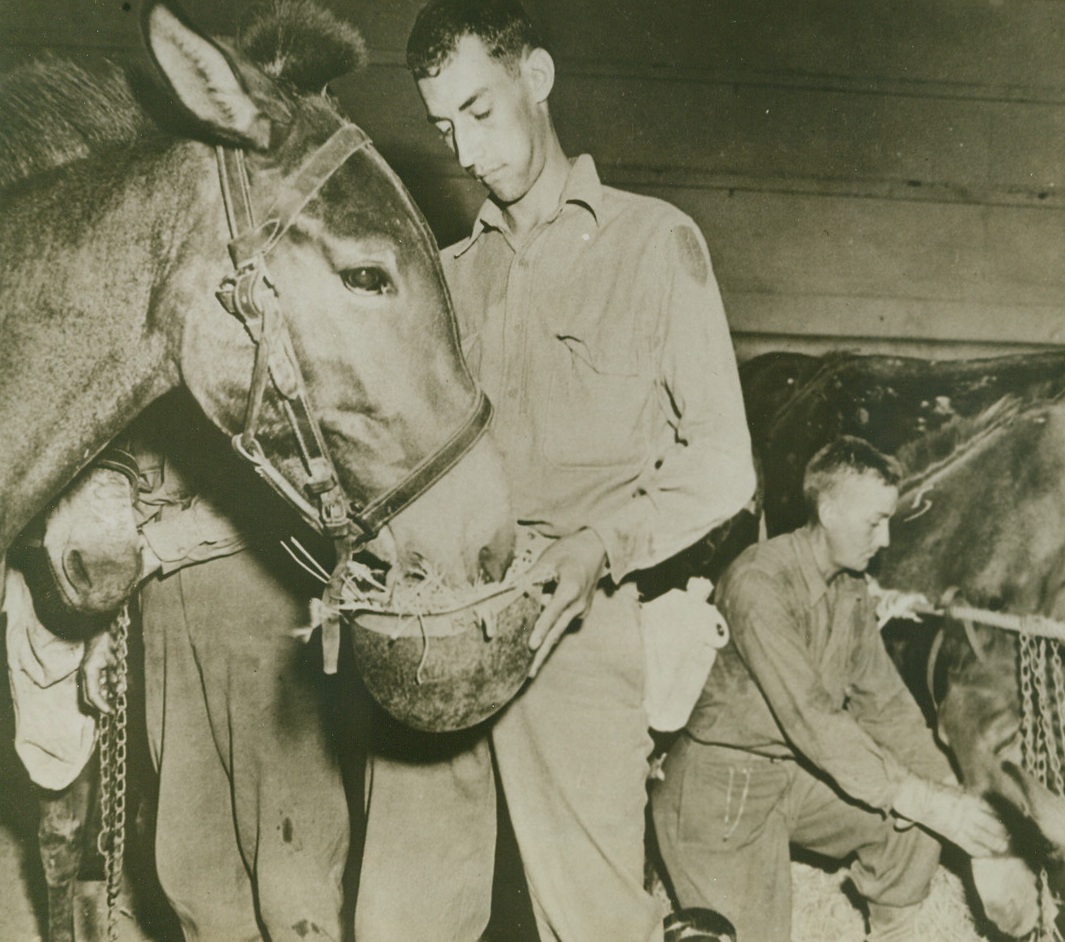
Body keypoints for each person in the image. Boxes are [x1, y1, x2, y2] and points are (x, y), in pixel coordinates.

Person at [353, 2, 756, 940]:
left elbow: (723, 463)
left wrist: (599, 547)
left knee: (594, 919)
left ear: (535, 77)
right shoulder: (446, 277)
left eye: (479, 112)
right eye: (443, 127)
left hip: (574, 623)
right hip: (440, 622)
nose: (465, 152)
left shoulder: (654, 244)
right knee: (400, 920)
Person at [651, 436, 1009, 942]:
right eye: (875, 522)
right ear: (829, 511)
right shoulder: (759, 581)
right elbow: (813, 718)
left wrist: (954, 797)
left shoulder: (849, 590)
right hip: (720, 788)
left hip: (793, 774)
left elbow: (887, 708)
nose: (885, 540)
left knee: (909, 827)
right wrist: (920, 797)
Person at [80, 404, 351, 942]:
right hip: (159, 602)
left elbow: (281, 483)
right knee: (194, 866)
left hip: (255, 590)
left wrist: (154, 547)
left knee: (293, 860)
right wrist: (99, 627)